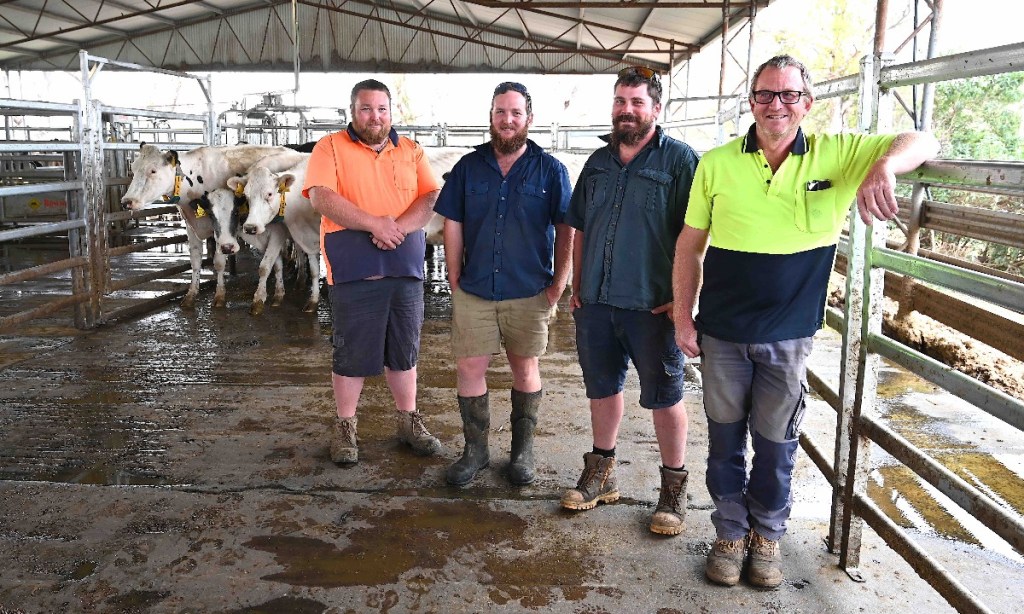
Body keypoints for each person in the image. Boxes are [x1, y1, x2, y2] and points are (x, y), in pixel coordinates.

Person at [672, 55, 940, 589]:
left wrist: (883, 166)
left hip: (789, 336)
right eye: (766, 95)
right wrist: (683, 317)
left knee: (776, 443)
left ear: (808, 104)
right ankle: (730, 532)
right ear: (751, 101)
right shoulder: (717, 163)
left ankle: (767, 534)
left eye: (789, 95)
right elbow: (689, 247)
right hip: (722, 333)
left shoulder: (837, 154)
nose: (777, 105)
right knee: (725, 441)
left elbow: (925, 140)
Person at [560, 66, 700, 537]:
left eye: (637, 102)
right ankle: (601, 473)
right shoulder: (597, 162)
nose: (627, 110)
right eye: (621, 101)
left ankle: (673, 489)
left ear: (656, 109)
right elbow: (578, 226)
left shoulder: (680, 161)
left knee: (665, 395)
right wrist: (578, 284)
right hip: (596, 301)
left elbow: (698, 236)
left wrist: (684, 302)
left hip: (652, 304)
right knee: (601, 388)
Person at [434, 81, 574, 487]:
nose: (507, 120)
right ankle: (475, 452)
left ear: (529, 119)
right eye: (500, 112)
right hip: (475, 287)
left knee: (525, 367)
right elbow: (453, 221)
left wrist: (558, 284)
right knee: (469, 365)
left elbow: (566, 228)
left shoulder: (550, 170)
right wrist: (453, 274)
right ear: (491, 117)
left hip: (529, 290)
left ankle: (521, 451)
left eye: (515, 113)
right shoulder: (468, 168)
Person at [302, 79, 445, 464]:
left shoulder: (411, 150)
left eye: (381, 109)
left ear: (391, 112)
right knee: (351, 352)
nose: (375, 116)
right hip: (354, 266)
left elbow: (430, 195)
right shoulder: (330, 147)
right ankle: (346, 426)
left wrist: (394, 227)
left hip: (404, 265)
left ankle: (408, 420)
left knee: (404, 349)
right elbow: (321, 196)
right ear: (353, 111)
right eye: (366, 108)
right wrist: (375, 225)